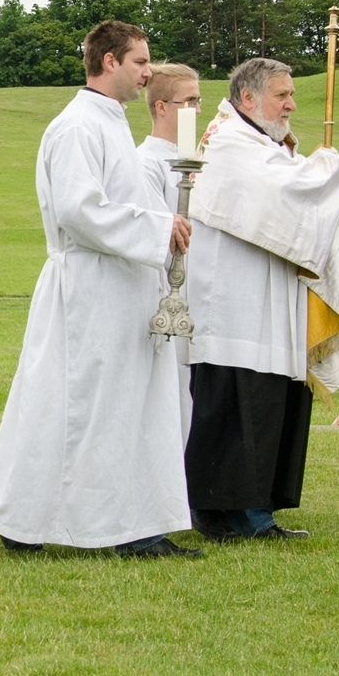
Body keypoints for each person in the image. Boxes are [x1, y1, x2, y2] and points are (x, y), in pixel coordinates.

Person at [0, 20, 200, 557]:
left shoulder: (110, 123)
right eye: (140, 63)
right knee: (76, 404)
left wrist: (162, 225)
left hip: (121, 286)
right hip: (90, 288)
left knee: (121, 407)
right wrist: (155, 228)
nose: (149, 74)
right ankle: (32, 520)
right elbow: (80, 211)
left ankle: (127, 522)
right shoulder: (78, 126)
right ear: (108, 61)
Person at [181, 58, 339, 540]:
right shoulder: (228, 145)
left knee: (267, 404)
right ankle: (230, 512)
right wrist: (325, 167)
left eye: (292, 94)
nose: (291, 104)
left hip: (265, 301)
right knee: (241, 405)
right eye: (282, 94)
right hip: (234, 306)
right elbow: (289, 192)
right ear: (248, 98)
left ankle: (250, 510)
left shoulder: (260, 144)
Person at [139, 62, 202, 443]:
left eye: (199, 100)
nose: (197, 110)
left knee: (188, 393)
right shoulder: (146, 164)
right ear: (161, 106)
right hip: (164, 292)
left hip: (198, 290)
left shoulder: (192, 159)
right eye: (188, 101)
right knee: (168, 394)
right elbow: (157, 234)